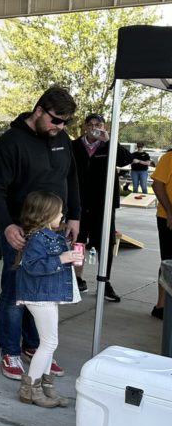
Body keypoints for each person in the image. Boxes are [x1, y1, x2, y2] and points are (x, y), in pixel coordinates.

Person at [0, 86, 80, 380]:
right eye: (56, 120)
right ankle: (10, 351)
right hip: (20, 232)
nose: (60, 127)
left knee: (43, 292)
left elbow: (71, 178)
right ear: (39, 111)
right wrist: (7, 225)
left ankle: (36, 348)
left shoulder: (61, 138)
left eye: (65, 122)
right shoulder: (10, 143)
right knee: (15, 293)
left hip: (55, 230)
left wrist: (73, 215)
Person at [14, 191, 82, 408]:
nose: (62, 215)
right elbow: (33, 266)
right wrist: (62, 258)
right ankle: (30, 387)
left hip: (47, 294)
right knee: (49, 342)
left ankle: (45, 386)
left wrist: (68, 258)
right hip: (39, 296)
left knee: (50, 343)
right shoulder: (37, 238)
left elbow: (52, 262)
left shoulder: (50, 236)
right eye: (58, 211)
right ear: (45, 214)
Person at [72, 113, 133, 302]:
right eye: (90, 124)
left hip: (103, 203)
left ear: (104, 126)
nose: (94, 128)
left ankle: (104, 281)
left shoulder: (109, 144)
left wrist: (109, 141)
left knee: (105, 242)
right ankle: (77, 278)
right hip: (79, 201)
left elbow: (126, 160)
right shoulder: (74, 146)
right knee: (78, 241)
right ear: (84, 127)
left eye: (98, 124)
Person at [150, 148, 172, 320]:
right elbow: (157, 185)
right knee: (168, 262)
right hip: (167, 218)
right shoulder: (169, 157)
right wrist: (170, 212)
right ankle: (161, 306)